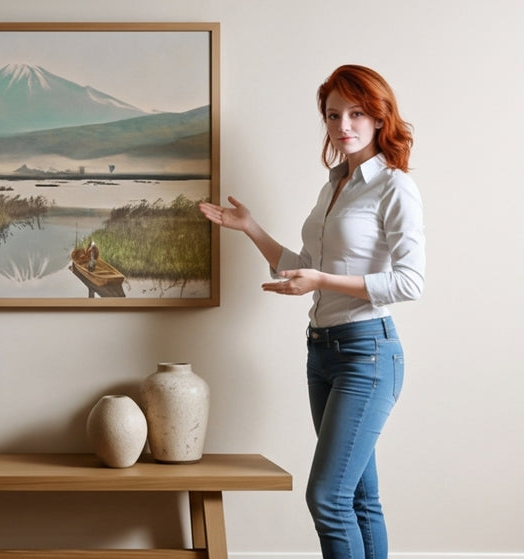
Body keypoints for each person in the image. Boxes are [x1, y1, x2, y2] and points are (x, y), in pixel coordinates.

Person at [199, 65, 424, 559]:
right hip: (322, 353)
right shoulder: (335, 185)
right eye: (333, 114)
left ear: (379, 116)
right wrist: (251, 227)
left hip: (368, 354)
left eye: (357, 113)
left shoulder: (393, 186)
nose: (343, 124)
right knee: (359, 499)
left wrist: (321, 281)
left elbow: (410, 282)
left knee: (327, 498)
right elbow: (304, 267)